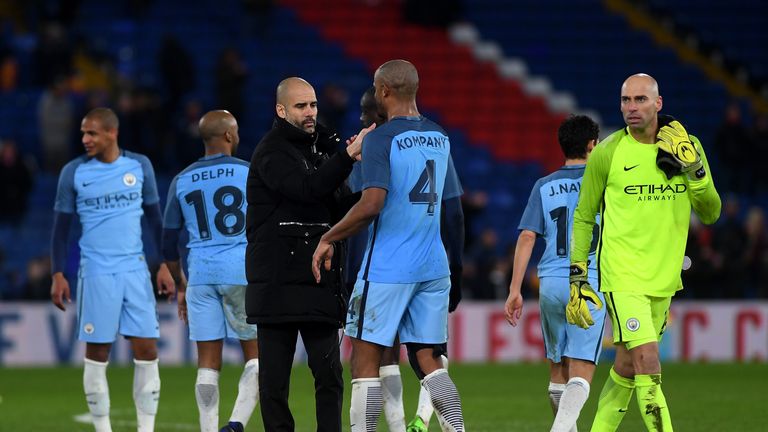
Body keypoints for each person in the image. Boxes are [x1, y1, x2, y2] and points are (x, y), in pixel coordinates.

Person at [312, 59, 466, 432]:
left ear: (383, 91)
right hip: (433, 266)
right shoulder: (439, 136)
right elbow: (455, 213)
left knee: (364, 363)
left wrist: (328, 237)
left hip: (387, 267)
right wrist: (455, 270)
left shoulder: (381, 138)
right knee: (428, 359)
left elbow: (371, 204)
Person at [569, 74, 721, 431]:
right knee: (648, 361)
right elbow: (583, 215)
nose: (631, 108)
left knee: (625, 367)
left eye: (639, 100)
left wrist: (695, 170)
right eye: (625, 100)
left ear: (658, 103)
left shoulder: (688, 147)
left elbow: (711, 212)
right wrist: (578, 273)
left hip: (664, 278)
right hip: (623, 276)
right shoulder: (608, 152)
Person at [245, 77, 373, 432]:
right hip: (277, 285)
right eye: (301, 106)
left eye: (313, 105)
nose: (310, 113)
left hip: (318, 281)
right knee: (274, 385)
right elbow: (307, 189)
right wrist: (346, 156)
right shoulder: (270, 152)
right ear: (281, 110)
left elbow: (337, 206)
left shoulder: (319, 150)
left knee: (330, 377)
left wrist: (375, 196)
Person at [50, 107, 164, 432]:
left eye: (92, 133)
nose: (85, 139)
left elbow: (156, 221)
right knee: (98, 352)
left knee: (146, 349)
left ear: (112, 133)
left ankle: (146, 429)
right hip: (96, 272)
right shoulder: (73, 172)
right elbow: (60, 230)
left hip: (135, 270)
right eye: (83, 133)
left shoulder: (139, 166)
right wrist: (58, 273)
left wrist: (167, 266)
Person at [157, 110, 259, 432]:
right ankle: (236, 424)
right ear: (229, 136)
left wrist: (181, 284)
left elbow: (168, 242)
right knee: (258, 360)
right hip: (243, 272)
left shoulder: (182, 179)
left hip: (200, 275)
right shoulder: (250, 173)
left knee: (207, 365)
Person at [504, 114, 603, 432]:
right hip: (589, 280)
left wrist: (515, 289)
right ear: (592, 145)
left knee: (558, 366)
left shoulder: (543, 185)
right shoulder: (605, 183)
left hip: (551, 283)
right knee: (582, 369)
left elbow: (527, 236)